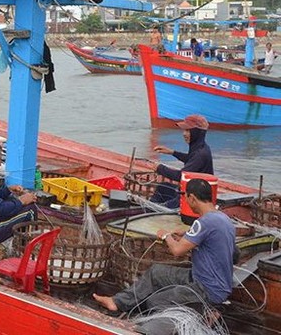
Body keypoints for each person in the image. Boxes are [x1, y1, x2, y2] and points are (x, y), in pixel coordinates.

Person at [93, 178, 235, 315]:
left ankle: (206, 312)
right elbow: (215, 244)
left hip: (207, 289)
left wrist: (166, 235)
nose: (186, 201)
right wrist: (186, 235)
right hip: (204, 279)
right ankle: (116, 302)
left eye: (185, 197)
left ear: (192, 198)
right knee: (156, 273)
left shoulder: (203, 222)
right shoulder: (224, 219)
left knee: (156, 302)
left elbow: (177, 250)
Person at [150, 114, 213, 209]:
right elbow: (190, 159)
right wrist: (172, 152)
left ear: (197, 132)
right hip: (189, 191)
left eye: (188, 130)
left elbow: (181, 176)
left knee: (163, 207)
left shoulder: (200, 154)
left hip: (195, 198)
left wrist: (160, 168)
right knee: (163, 187)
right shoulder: (201, 147)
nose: (184, 134)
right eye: (184, 130)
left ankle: (152, 210)